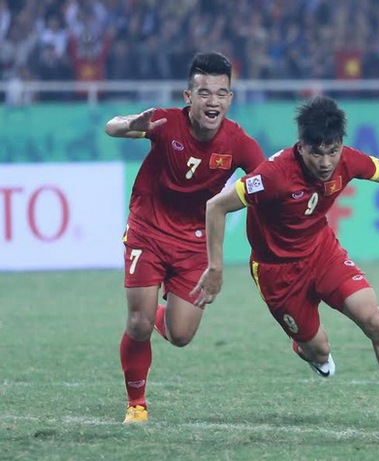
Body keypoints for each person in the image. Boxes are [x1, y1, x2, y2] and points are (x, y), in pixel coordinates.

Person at [191, 96, 379, 433]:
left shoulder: (348, 161)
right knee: (319, 350)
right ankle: (306, 346)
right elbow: (216, 206)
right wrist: (215, 267)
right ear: (301, 147)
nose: (327, 162)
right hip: (278, 273)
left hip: (322, 253)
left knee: (375, 320)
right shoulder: (272, 175)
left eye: (333, 150)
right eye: (318, 153)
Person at [104, 52, 265, 423]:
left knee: (180, 335)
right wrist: (131, 123)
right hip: (148, 229)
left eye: (221, 94)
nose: (213, 102)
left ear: (230, 99)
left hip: (194, 243)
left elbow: (268, 181)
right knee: (138, 324)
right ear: (188, 97)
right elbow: (111, 127)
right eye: (204, 93)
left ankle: (159, 313)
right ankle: (137, 405)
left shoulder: (238, 142)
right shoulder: (164, 122)